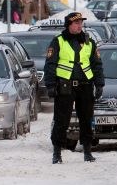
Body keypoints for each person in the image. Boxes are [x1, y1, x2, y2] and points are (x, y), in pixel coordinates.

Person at [44, 12, 104, 164]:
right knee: (61, 120)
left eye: (81, 23)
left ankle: (88, 152)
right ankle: (57, 153)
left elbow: (97, 65)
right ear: (69, 25)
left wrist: (99, 84)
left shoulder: (89, 42)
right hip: (65, 86)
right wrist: (50, 85)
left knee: (86, 119)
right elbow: (50, 64)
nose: (79, 26)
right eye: (76, 23)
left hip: (85, 86)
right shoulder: (58, 41)